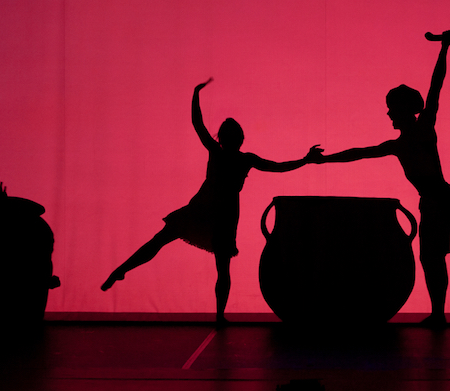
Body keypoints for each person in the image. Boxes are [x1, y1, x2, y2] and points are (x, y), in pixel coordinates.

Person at [101, 78, 321, 326]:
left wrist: (195, 94)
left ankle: (122, 270)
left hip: (208, 209)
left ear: (224, 138)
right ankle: (218, 315)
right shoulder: (242, 158)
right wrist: (306, 159)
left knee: (162, 241)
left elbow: (198, 125)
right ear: (239, 138)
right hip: (219, 211)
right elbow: (278, 167)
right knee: (220, 267)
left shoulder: (222, 153)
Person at [311, 38, 450, 327]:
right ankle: (438, 312)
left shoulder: (424, 128)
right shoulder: (399, 144)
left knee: (433, 257)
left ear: (405, 110)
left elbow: (436, 85)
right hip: (433, 199)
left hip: (438, 199)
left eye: (392, 108)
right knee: (431, 258)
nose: (389, 113)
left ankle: (439, 314)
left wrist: (444, 48)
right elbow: (359, 154)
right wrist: (325, 160)